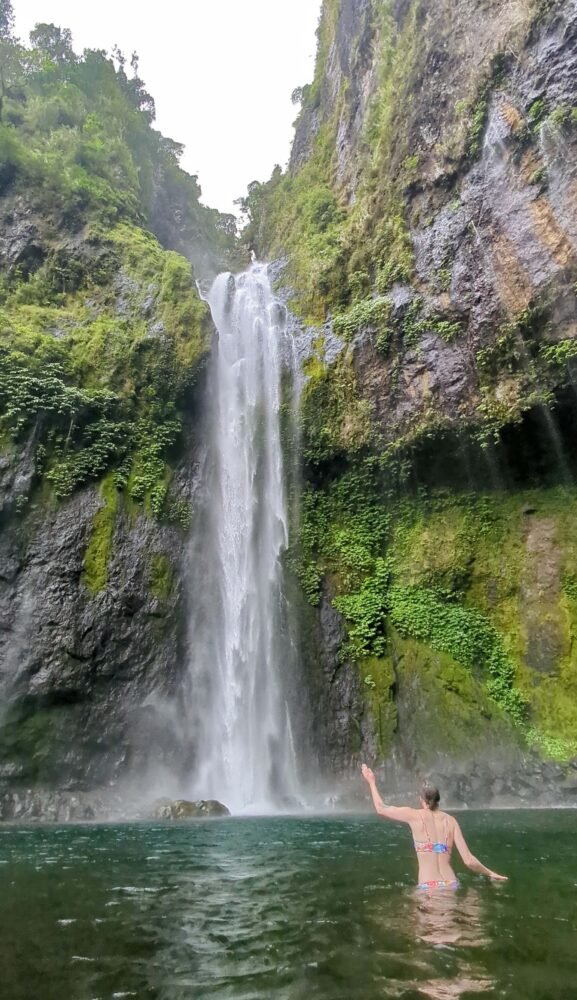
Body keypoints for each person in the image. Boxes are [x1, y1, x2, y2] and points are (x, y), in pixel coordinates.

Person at [361, 764, 507, 890]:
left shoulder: (414, 815)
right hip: (451, 884)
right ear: (438, 800)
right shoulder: (451, 821)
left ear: (421, 800)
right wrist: (491, 873)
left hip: (428, 886)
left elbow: (381, 808)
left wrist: (371, 782)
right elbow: (468, 860)